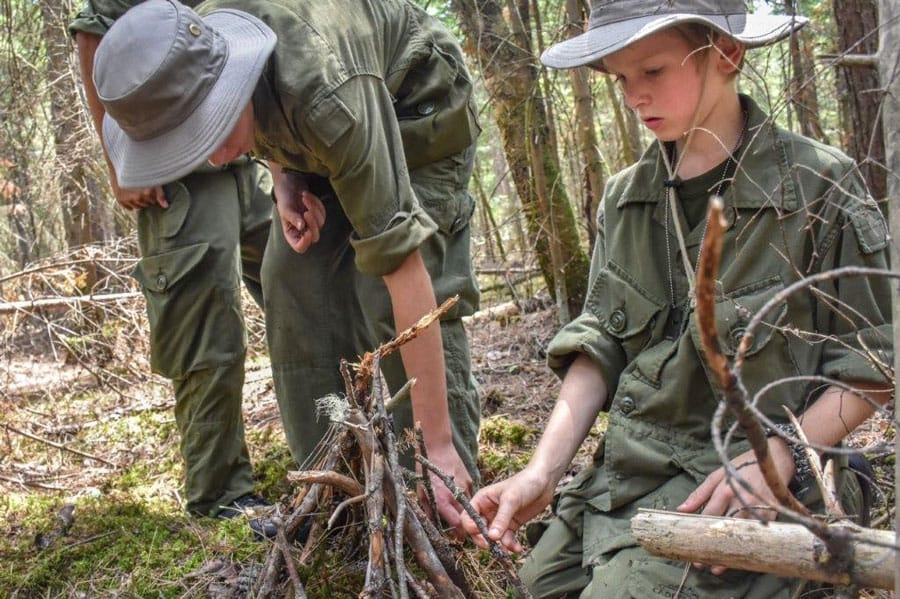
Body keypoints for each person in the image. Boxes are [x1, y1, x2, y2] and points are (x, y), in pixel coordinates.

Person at [460, 1, 893, 596]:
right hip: (627, 479)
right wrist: (542, 471)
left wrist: (783, 454)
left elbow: (876, 362)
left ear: (727, 53)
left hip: (748, 479)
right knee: (535, 587)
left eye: (654, 71)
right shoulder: (627, 198)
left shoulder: (820, 188)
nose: (635, 95)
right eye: (620, 78)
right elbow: (600, 343)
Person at [90, 0, 483, 532]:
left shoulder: (327, 97)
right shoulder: (199, 42)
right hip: (318, 122)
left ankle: (443, 494)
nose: (202, 157)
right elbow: (261, 93)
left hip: (416, 106)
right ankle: (335, 493)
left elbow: (403, 264)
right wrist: (285, 175)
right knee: (289, 276)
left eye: (202, 135)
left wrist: (437, 446)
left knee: (381, 296)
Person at [70, 0, 280, 536]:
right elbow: (94, 32)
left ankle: (333, 451)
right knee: (207, 328)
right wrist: (120, 163)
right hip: (177, 166)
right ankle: (222, 500)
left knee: (301, 289)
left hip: (249, 142)